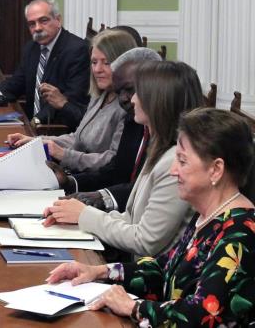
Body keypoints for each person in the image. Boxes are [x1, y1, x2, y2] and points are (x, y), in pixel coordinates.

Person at [46, 108, 255, 326]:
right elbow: (164, 270)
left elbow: (204, 314)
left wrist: (133, 307)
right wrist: (99, 271)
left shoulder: (241, 231)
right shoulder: (209, 215)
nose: (173, 171)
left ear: (216, 170)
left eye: (182, 161)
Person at [43, 61, 204, 258]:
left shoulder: (175, 163)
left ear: (157, 101)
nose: (132, 99)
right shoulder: (159, 149)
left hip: (148, 271)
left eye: (138, 93)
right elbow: (131, 218)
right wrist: (77, 214)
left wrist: (84, 215)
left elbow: (145, 241)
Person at [7, 29, 137, 173]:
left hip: (91, 180)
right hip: (73, 173)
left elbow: (114, 161)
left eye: (106, 63)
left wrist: (63, 155)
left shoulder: (129, 108)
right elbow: (77, 139)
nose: (97, 69)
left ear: (125, 65)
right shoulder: (101, 95)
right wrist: (37, 141)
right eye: (94, 62)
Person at [58, 47, 162, 212]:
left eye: (130, 90)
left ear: (153, 85)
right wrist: (70, 182)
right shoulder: (133, 121)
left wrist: (103, 198)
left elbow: (144, 190)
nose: (124, 99)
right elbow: (116, 171)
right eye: (119, 92)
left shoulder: (170, 134)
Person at [0, 0, 90, 130]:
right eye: (32, 24)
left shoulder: (77, 50)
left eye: (43, 21)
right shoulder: (32, 47)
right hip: (31, 126)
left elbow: (71, 101)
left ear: (58, 20)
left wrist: (35, 122)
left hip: (57, 129)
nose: (37, 28)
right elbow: (19, 80)